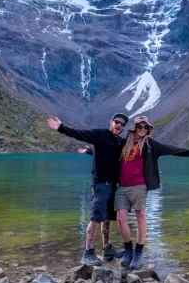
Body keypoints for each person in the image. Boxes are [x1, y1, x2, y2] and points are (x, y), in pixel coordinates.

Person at [115, 115, 189, 270]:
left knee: (140, 216)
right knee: (120, 219)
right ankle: (128, 250)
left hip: (139, 185)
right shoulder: (125, 142)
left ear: (148, 129)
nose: (143, 129)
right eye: (140, 127)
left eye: (145, 127)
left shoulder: (150, 144)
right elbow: (107, 151)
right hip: (122, 186)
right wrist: (90, 150)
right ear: (135, 128)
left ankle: (138, 251)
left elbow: (171, 149)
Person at [47, 113, 129, 266]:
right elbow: (80, 134)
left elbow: (107, 153)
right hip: (100, 185)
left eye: (122, 124)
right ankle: (88, 252)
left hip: (113, 186)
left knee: (107, 218)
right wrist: (61, 128)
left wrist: (89, 152)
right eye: (117, 122)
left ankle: (107, 248)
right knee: (96, 218)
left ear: (123, 128)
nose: (119, 125)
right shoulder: (99, 134)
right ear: (111, 122)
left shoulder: (119, 141)